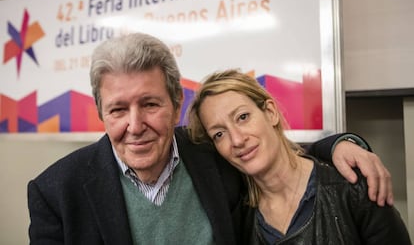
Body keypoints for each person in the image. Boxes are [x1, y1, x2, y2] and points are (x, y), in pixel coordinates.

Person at [28, 33, 394, 245]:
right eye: (118, 110)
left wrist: (342, 143)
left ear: (174, 105)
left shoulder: (210, 153)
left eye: (150, 104)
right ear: (101, 113)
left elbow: (273, 151)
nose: (135, 125)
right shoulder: (56, 192)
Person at [186, 69, 411, 244]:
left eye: (243, 117)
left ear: (271, 113)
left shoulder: (352, 187)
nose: (236, 139)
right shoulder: (238, 219)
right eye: (219, 134)